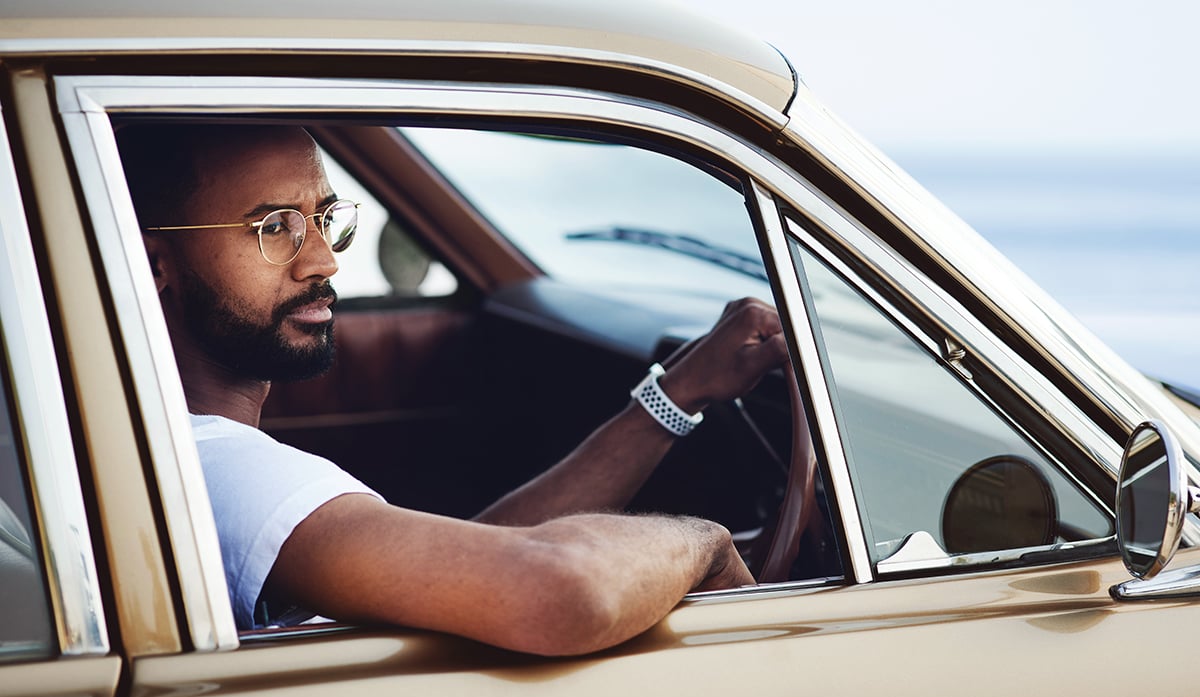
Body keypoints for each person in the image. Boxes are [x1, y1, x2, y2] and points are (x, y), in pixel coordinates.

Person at [117, 123, 789, 656]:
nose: (323, 259)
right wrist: (707, 543)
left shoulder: (147, 442)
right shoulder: (224, 472)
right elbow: (557, 589)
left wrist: (676, 396)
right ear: (155, 263)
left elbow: (466, 561)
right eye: (274, 228)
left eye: (324, 218)